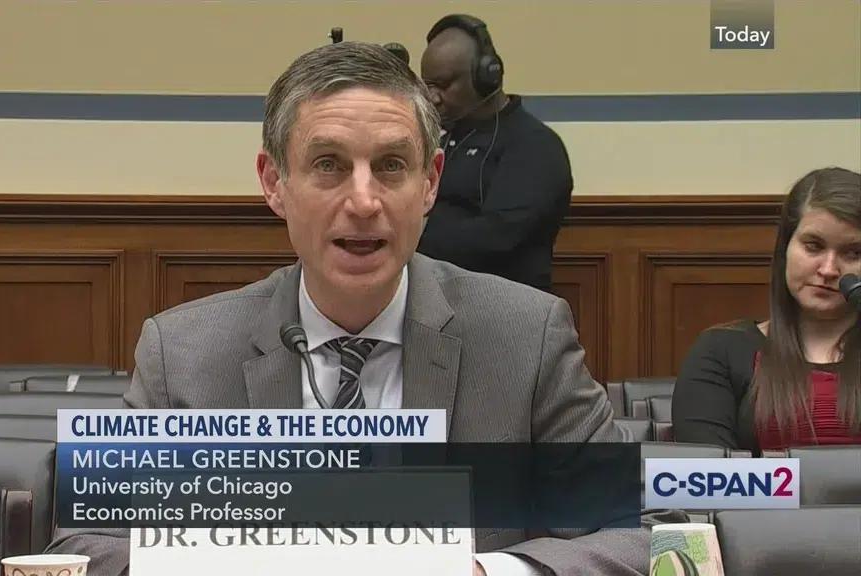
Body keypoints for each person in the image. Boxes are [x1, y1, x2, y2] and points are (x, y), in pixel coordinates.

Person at [47, 40, 678, 576]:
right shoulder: (182, 351)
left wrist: (486, 571)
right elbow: (82, 545)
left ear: (429, 182)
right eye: (328, 165)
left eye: (391, 166)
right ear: (273, 182)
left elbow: (633, 535)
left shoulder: (527, 335)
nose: (364, 201)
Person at [673, 167, 861, 453]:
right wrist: (804, 488)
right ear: (785, 247)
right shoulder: (721, 351)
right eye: (813, 247)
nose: (828, 269)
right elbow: (707, 483)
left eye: (853, 253)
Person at [416, 14, 573, 293]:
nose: (433, 98)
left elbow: (496, 237)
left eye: (444, 84)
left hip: (506, 310)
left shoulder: (535, 145)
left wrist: (408, 238)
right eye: (428, 86)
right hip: (441, 299)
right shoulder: (448, 138)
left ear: (486, 76)